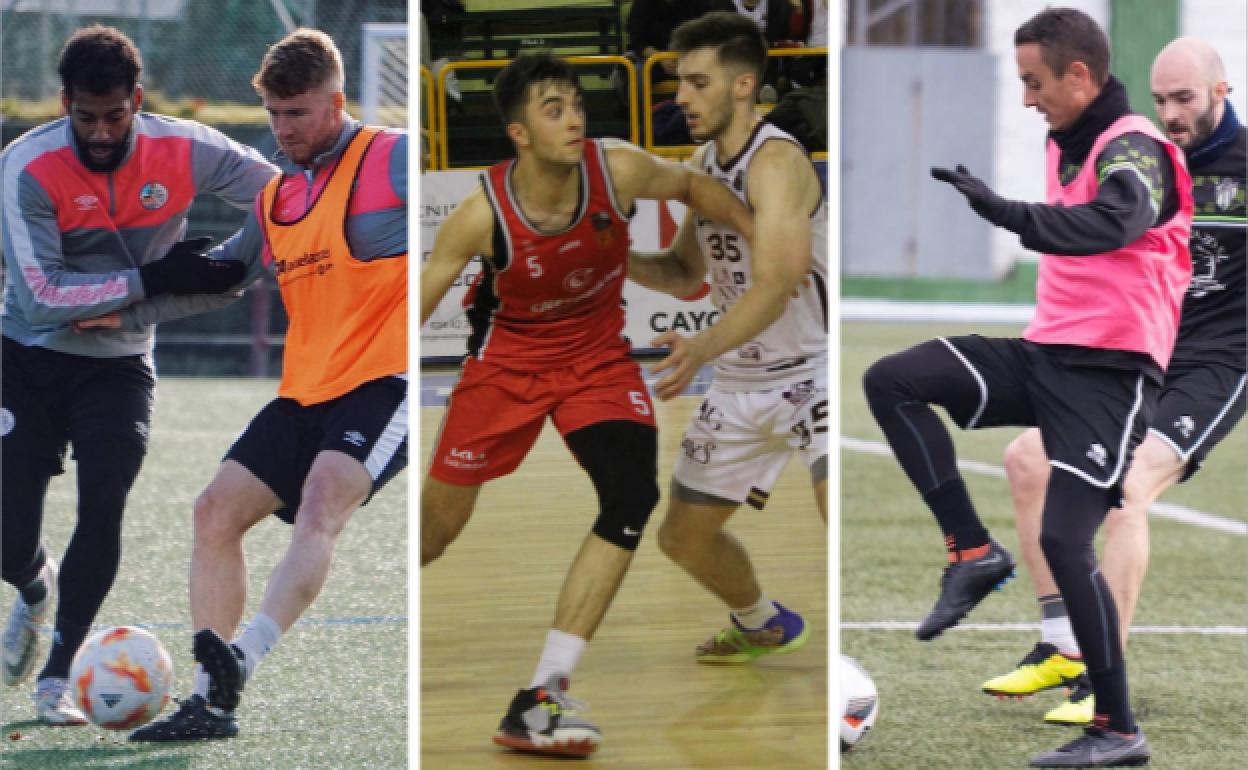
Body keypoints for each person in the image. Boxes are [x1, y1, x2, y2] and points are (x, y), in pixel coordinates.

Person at [862, 8, 1192, 768]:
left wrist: (1004, 213)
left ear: (1080, 75)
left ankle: (1118, 729)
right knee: (895, 380)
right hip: (1046, 357)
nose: (1026, 98)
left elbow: (1119, 219)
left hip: (1110, 377)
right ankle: (973, 552)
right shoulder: (1066, 141)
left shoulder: (1133, 145)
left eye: (1034, 82)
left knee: (1063, 541)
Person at [420, 52, 752, 758]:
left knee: (631, 493)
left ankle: (543, 690)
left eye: (575, 104)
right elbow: (410, 315)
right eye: (553, 109)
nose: (573, 119)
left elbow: (695, 186)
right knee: (431, 536)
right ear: (518, 132)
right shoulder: (481, 213)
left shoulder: (618, 167)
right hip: (505, 368)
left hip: (597, 362)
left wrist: (774, 239)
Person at [128, 28, 408, 741]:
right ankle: (208, 700)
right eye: (276, 116)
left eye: (300, 114)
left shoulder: (395, 158)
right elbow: (224, 271)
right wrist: (131, 299)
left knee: (321, 505)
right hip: (304, 391)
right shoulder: (277, 197)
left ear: (336, 102)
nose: (284, 131)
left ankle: (243, 659)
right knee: (214, 511)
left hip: (383, 381)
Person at [0, 24, 275, 725]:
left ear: (137, 99)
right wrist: (153, 276)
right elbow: (41, 298)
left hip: (118, 368)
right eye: (84, 117)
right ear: (63, 103)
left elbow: (284, 202)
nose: (99, 133)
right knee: (7, 539)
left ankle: (56, 678)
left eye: (115, 116)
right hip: (23, 356)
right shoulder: (27, 166)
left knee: (104, 507)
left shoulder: (186, 147)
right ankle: (34, 589)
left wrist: (224, 268)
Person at [983, 36, 1245, 727]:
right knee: (1027, 461)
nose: (1170, 114)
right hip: (1145, 356)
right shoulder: (1149, 158)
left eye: (1184, 99)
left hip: (1218, 365)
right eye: (1160, 100)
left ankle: (1107, 680)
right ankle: (1064, 644)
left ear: (1222, 92)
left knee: (1124, 491)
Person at [626, 11, 827, 667]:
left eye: (697, 81)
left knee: (839, 520)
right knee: (682, 539)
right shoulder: (707, 162)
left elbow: (779, 280)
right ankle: (762, 622)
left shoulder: (775, 162)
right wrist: (607, 253)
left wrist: (703, 347)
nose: (680, 95)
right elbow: (687, 273)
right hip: (741, 384)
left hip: (811, 374)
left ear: (743, 86)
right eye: (681, 81)